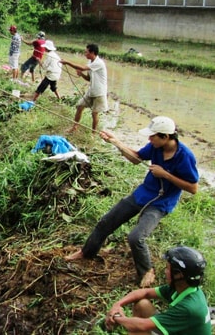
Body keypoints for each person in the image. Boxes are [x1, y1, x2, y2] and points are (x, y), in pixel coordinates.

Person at [65, 116, 200, 288]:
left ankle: (146, 272)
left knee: (136, 237)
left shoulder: (185, 157)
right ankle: (86, 253)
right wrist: (116, 142)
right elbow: (136, 158)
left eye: (153, 136)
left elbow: (193, 188)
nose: (149, 140)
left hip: (160, 203)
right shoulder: (155, 147)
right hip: (142, 194)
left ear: (166, 137)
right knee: (107, 222)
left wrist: (165, 175)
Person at [105, 246, 210, 334]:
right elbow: (144, 292)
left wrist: (116, 317)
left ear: (179, 274)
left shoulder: (189, 308)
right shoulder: (183, 287)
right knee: (142, 304)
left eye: (167, 268)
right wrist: (117, 305)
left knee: (139, 326)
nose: (165, 271)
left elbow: (143, 325)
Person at [60, 43, 107, 132]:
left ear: (92, 52)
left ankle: (93, 133)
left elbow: (83, 67)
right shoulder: (90, 62)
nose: (85, 54)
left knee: (94, 113)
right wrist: (81, 74)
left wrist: (67, 62)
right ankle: (74, 127)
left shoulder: (99, 63)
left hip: (99, 92)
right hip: (91, 91)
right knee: (79, 106)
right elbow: (89, 78)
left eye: (86, 52)